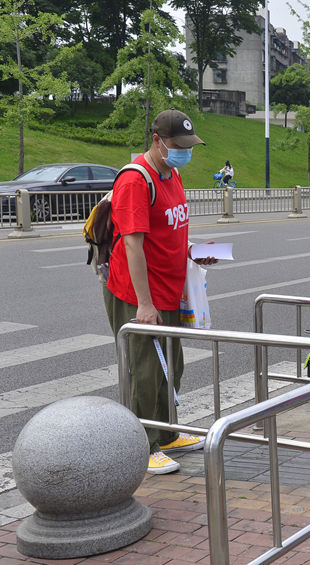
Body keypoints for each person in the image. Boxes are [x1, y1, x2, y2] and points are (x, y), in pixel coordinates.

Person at [103, 109, 216, 475]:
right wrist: (145, 305)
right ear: (156, 140)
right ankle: (143, 444)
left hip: (170, 288)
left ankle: (166, 433)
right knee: (146, 371)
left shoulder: (173, 174)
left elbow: (171, 231)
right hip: (139, 293)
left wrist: (196, 253)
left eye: (188, 145)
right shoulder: (136, 181)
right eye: (177, 145)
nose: (184, 151)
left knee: (172, 364)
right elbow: (134, 246)